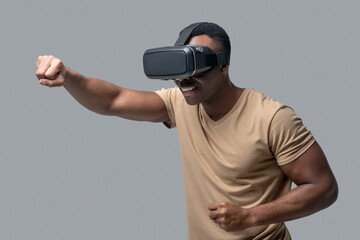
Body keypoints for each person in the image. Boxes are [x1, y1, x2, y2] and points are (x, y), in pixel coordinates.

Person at [35, 22, 338, 240]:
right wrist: (70, 77)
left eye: (197, 69)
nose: (184, 81)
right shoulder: (181, 103)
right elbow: (113, 100)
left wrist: (250, 216)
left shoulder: (272, 118)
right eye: (180, 72)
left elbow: (324, 188)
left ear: (224, 66)